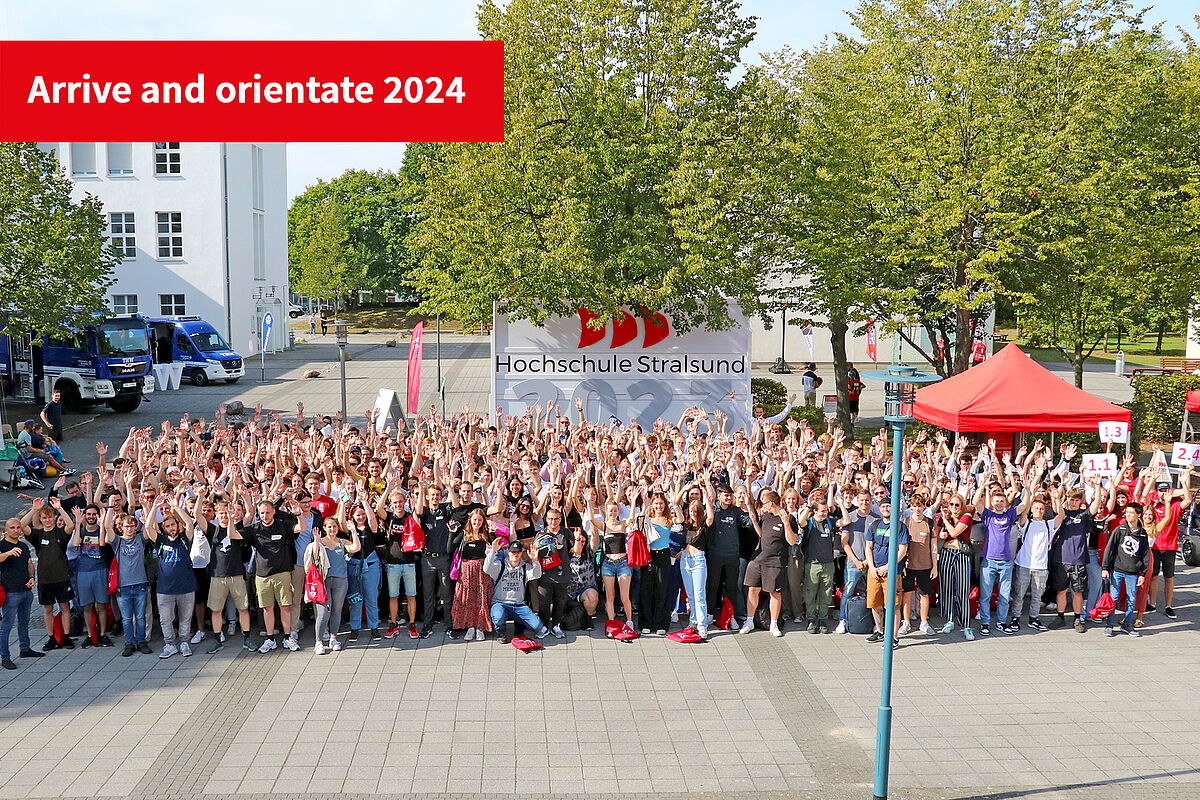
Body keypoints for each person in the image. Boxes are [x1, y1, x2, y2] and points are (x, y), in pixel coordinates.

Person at [230, 496, 300, 653]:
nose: (265, 516)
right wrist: (230, 519)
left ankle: (288, 638)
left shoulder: (283, 525)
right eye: (262, 513)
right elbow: (233, 535)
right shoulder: (254, 529)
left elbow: (300, 528)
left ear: (274, 512)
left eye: (268, 512)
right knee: (267, 608)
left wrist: (298, 514)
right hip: (262, 575)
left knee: (285, 607)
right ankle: (270, 639)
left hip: (282, 573)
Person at [144, 495, 197, 658]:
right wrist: (154, 507)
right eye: (167, 526)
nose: (171, 527)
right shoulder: (160, 541)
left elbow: (189, 523)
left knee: (185, 618)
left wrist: (176, 506)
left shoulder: (184, 540)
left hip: (186, 586)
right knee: (166, 620)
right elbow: (148, 528)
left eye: (173, 524)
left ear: (177, 525)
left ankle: (184, 643)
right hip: (165, 588)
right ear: (164, 528)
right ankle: (169, 644)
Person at [22, 497, 76, 651]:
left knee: (64, 606)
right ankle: (52, 637)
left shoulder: (60, 532)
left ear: (54, 518)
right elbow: (22, 525)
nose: (47, 520)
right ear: (40, 519)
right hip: (45, 578)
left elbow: (71, 525)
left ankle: (66, 636)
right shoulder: (38, 535)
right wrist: (34, 509)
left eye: (50, 517)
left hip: (62, 576)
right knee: (48, 609)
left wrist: (59, 508)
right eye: (44, 517)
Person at [1006, 490, 1063, 634]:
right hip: (1024, 564)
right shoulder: (1027, 522)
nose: (1038, 510)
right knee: (1019, 594)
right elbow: (1023, 510)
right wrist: (1029, 493)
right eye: (1036, 508)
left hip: (1041, 567)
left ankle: (1034, 618)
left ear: (1045, 511)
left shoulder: (1048, 524)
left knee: (1038, 595)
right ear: (1032, 509)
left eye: (1041, 508)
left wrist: (1056, 499)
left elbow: (1061, 516)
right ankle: (1015, 618)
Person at [744, 490, 798, 637]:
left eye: (765, 503)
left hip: (776, 561)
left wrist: (786, 523)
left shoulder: (789, 518)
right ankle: (749, 621)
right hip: (758, 559)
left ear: (772, 503)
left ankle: (773, 624)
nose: (763, 506)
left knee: (775, 593)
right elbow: (762, 535)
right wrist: (755, 521)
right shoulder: (766, 516)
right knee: (752, 589)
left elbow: (792, 541)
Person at [104, 510, 152, 656]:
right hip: (123, 586)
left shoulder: (139, 539)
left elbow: (149, 527)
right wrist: (110, 512)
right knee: (126, 618)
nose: (129, 529)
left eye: (132, 526)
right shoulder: (117, 541)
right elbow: (107, 528)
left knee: (140, 617)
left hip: (140, 584)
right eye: (126, 526)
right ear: (122, 527)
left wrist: (151, 508)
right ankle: (129, 643)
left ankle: (141, 641)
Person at [309, 515, 358, 654]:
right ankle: (318, 641)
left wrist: (353, 531)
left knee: (337, 610)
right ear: (324, 528)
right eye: (329, 527)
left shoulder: (342, 542)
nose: (332, 529)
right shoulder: (320, 541)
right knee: (323, 612)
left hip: (341, 580)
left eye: (334, 526)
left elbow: (355, 547)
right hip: (323, 581)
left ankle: (333, 638)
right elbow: (314, 556)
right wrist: (317, 541)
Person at [1101, 502, 1151, 637]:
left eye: (1131, 512)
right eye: (1126, 512)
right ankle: (1109, 624)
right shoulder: (1119, 530)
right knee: (1114, 597)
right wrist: (1105, 567)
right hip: (1117, 570)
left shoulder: (1142, 534)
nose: (1127, 515)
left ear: (1138, 515)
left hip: (1133, 572)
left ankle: (1127, 625)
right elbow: (1109, 549)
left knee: (1131, 599)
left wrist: (1143, 573)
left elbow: (1145, 554)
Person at [483, 539, 548, 642]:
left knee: (537, 626)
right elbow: (486, 569)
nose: (515, 554)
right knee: (498, 616)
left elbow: (537, 574)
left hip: (519, 605)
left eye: (518, 552)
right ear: (508, 552)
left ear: (521, 553)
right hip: (500, 603)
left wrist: (535, 560)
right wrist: (493, 552)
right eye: (513, 552)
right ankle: (501, 632)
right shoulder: (501, 566)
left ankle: (519, 624)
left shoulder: (525, 567)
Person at [0, 517, 42, 669]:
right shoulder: (2, 545)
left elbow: (30, 564)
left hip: (26, 590)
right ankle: (5, 657)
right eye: (12, 528)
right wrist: (9, 553)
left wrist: (32, 577)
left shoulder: (24, 546)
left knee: (24, 622)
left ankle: (25, 648)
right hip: (10, 592)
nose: (16, 530)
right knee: (6, 625)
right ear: (6, 530)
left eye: (18, 527)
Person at [865, 495, 907, 646]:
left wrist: (888, 567)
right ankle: (879, 631)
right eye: (883, 507)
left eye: (888, 506)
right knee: (875, 603)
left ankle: (894, 637)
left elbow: (902, 550)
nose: (886, 509)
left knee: (893, 605)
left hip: (892, 572)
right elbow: (868, 547)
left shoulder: (900, 526)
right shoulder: (875, 525)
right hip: (875, 572)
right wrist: (872, 567)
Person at [70, 504, 113, 647]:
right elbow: (75, 543)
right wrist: (77, 523)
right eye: (88, 514)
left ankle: (102, 634)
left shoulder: (102, 530)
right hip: (83, 572)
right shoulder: (81, 531)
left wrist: (102, 523)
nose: (91, 517)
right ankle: (90, 634)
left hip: (100, 570)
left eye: (94, 514)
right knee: (87, 606)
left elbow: (102, 544)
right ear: (85, 516)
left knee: (102, 605)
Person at [451, 508, 494, 641]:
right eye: (475, 519)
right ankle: (470, 626)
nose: (477, 522)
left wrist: (492, 534)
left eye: (480, 520)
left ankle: (481, 626)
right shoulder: (464, 534)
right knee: (467, 598)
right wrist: (451, 534)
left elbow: (494, 549)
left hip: (482, 570)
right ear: (470, 520)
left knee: (481, 598)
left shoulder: (487, 534)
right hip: (466, 570)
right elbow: (450, 548)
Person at [937, 495, 974, 640]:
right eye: (951, 504)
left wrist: (945, 518)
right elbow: (939, 532)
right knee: (946, 587)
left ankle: (966, 624)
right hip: (947, 552)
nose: (953, 507)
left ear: (962, 505)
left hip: (962, 554)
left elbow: (954, 532)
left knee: (963, 589)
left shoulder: (966, 516)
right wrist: (941, 533)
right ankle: (949, 619)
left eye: (957, 505)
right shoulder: (946, 516)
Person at [900, 491, 938, 635]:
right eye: (915, 506)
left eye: (920, 506)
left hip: (925, 565)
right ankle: (906, 622)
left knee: (924, 595)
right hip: (908, 565)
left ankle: (924, 622)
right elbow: (901, 545)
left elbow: (933, 546)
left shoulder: (929, 522)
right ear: (911, 507)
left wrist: (934, 566)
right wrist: (902, 564)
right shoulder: (906, 522)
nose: (917, 509)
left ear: (924, 506)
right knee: (907, 594)